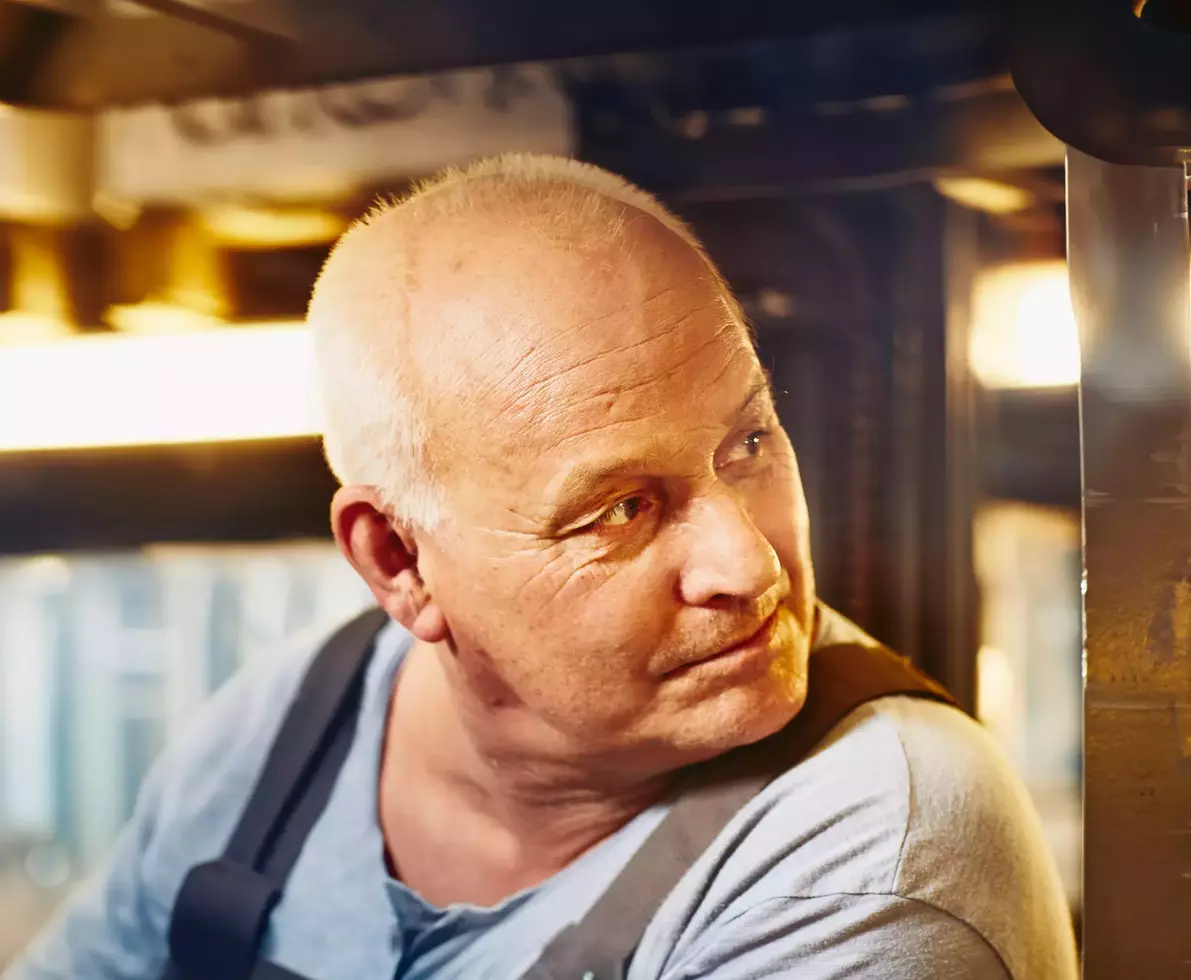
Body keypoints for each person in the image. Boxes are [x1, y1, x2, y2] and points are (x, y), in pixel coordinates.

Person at [4, 155, 1078, 980]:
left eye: (747, 444)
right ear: (398, 562)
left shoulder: (872, 855)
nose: (745, 564)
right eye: (622, 508)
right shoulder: (280, 736)